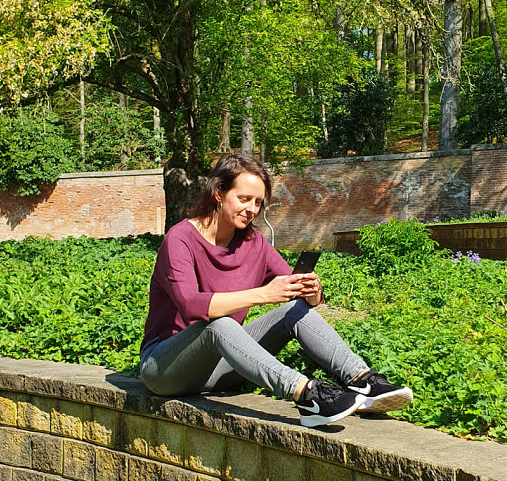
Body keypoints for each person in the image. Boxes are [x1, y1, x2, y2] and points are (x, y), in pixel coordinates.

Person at [140, 153, 413, 428]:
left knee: (294, 311)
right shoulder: (179, 239)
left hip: (222, 367)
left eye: (258, 203)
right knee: (217, 324)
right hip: (165, 369)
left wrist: (310, 290)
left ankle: (361, 380)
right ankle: (308, 395)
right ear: (219, 193)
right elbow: (191, 305)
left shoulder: (254, 243)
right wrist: (265, 294)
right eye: (244, 199)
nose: (252, 209)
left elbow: (293, 289)